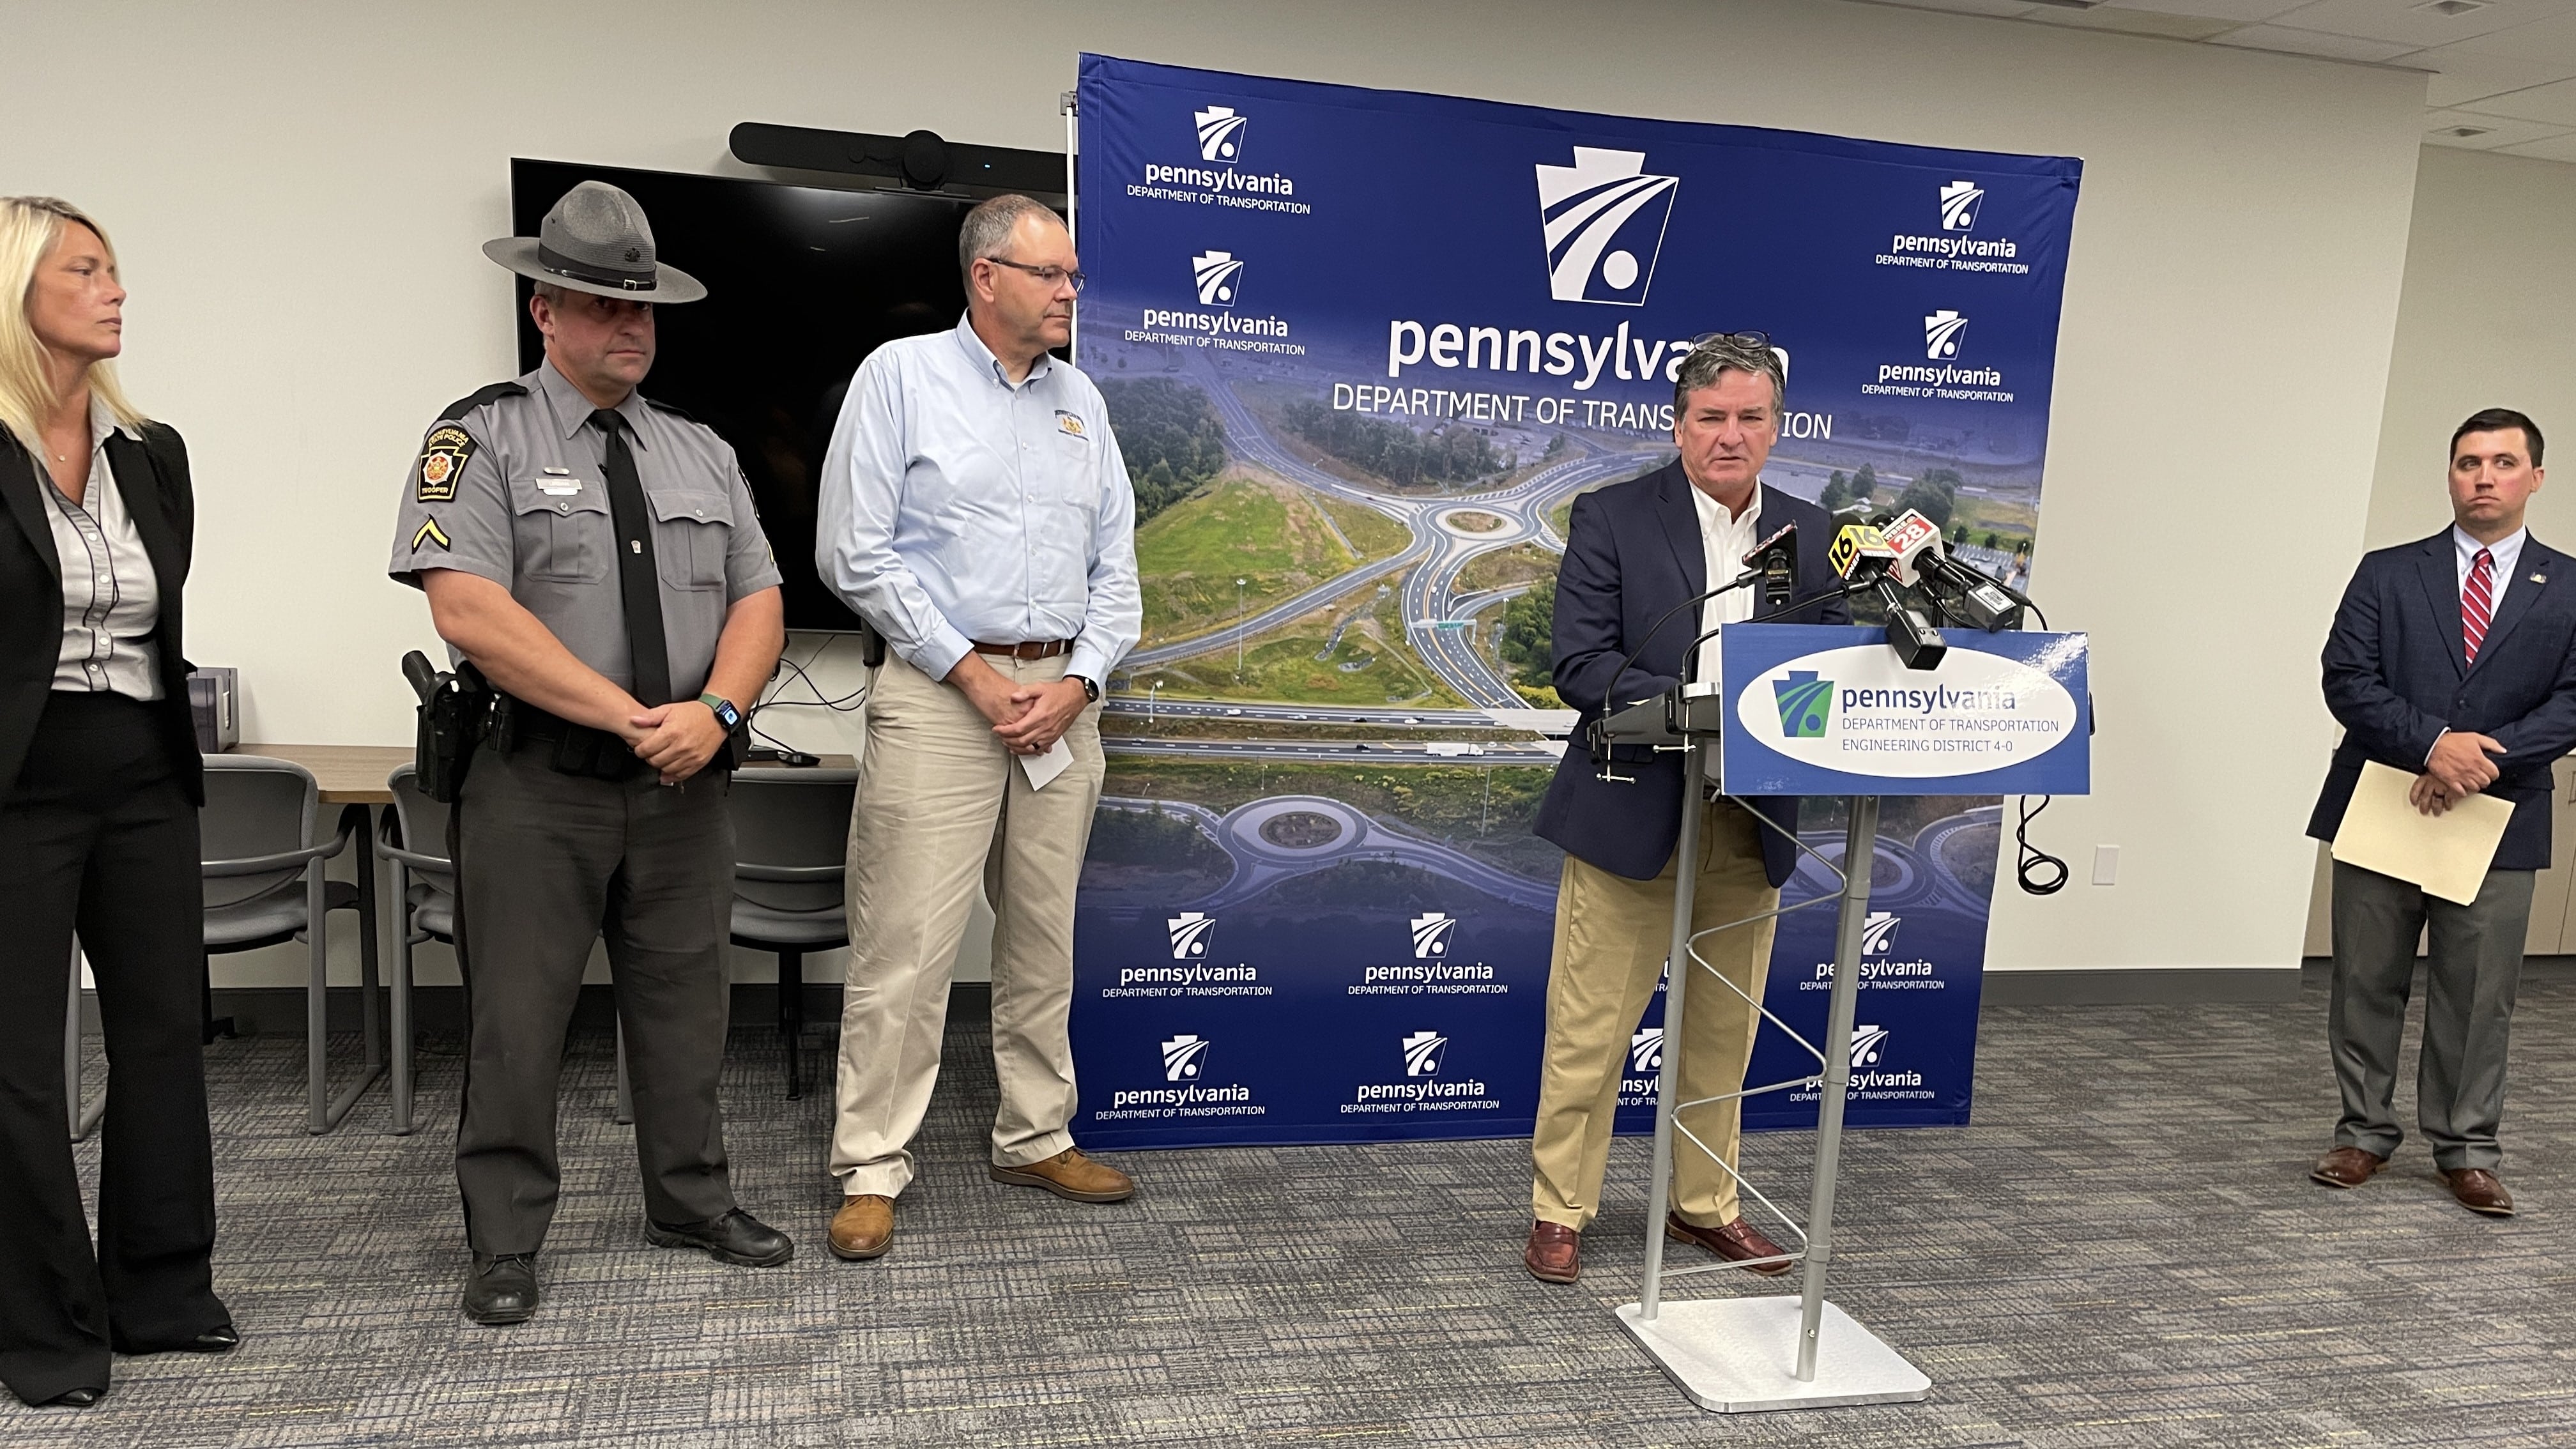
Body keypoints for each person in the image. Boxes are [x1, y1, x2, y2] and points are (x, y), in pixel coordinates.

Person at [387, 181, 792, 1324]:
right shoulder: (477, 436)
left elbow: (759, 597)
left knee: (686, 1011)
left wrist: (713, 711)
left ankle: (691, 1199)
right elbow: (466, 609)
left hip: (684, 782)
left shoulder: (702, 451)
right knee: (517, 1023)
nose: (630, 327)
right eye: (601, 306)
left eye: (644, 310)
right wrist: (629, 715)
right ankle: (506, 1239)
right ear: (542, 311)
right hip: (536, 788)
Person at [814, 193, 1140, 1262]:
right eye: (1050, 274)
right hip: (939, 699)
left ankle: (1034, 1134)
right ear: (987, 276)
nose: (1068, 292)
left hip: (1059, 707)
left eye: (1072, 274)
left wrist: (1079, 682)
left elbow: (1118, 574)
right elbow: (853, 552)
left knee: (1042, 939)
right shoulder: (899, 379)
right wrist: (970, 670)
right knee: (906, 944)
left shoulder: (1081, 401)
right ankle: (871, 1165)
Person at [1521, 332, 1849, 1285]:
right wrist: (1707, 701)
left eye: (1751, 418)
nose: (1730, 436)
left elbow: (1827, 670)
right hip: (1633, 816)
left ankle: (1705, 1204)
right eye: (1711, 418)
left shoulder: (1814, 532)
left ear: (1777, 428)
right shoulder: (1615, 516)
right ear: (1679, 425)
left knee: (1722, 1031)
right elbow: (1581, 665)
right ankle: (1559, 1209)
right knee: (1590, 1030)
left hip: (1753, 821)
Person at [0, 196, 235, 1408]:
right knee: (21, 1065)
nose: (116, 289)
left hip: (143, 770)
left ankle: (160, 1288)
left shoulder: (155, 453)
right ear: (17, 289)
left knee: (161, 1036)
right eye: (86, 270)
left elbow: (163, 613)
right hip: (17, 786)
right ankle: (41, 1323)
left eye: (115, 269)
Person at [2306, 407, 2567, 1218]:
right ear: (2450, 475)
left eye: (2501, 462)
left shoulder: (2569, 585)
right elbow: (2345, 677)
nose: (2483, 477)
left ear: (2535, 477)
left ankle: (2467, 1149)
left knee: (2479, 992)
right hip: (2387, 801)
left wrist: (2476, 760)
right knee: (2366, 981)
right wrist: (2434, 747)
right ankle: (2362, 1133)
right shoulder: (2388, 571)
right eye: (2466, 463)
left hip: (2502, 815)